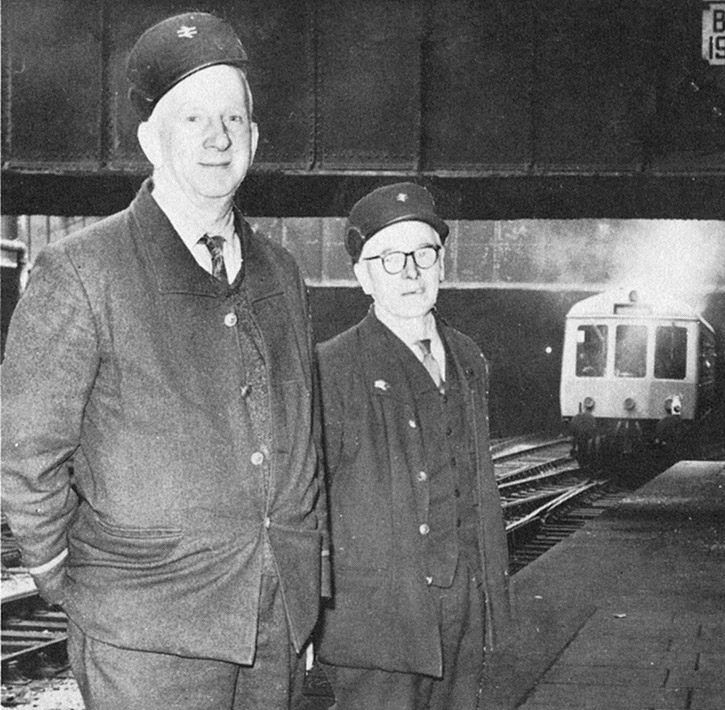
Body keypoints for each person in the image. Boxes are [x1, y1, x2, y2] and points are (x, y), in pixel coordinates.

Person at [1, 12, 328, 710]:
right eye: (192, 119)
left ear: (255, 138)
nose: (218, 139)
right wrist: (66, 571)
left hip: (273, 622)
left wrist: (302, 590)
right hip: (148, 639)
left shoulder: (282, 275)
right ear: (150, 138)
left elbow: (303, 443)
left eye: (234, 120)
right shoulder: (82, 271)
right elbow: (24, 452)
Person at [315, 183, 512, 710]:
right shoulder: (331, 367)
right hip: (376, 619)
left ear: (442, 265)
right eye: (390, 258)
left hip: (463, 609)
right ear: (362, 275)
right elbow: (309, 502)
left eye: (425, 254)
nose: (410, 272)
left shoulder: (468, 358)